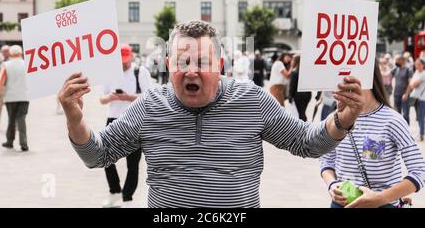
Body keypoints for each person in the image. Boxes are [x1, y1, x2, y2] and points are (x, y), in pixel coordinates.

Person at [59, 20, 364, 208]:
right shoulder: (149, 106)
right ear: (168, 65)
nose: (191, 70)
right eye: (182, 61)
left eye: (202, 62)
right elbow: (97, 155)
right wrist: (74, 117)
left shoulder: (251, 100)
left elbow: (307, 143)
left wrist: (342, 119)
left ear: (220, 66)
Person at [320, 60, 425, 208]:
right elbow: (327, 161)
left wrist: (380, 198)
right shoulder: (334, 119)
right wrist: (332, 184)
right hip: (341, 204)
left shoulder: (392, 120)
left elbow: (419, 171)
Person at [99, 44, 152, 208]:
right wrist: (112, 96)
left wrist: (127, 97)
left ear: (131, 57)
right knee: (105, 158)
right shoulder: (109, 72)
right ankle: (114, 191)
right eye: (121, 61)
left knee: (133, 163)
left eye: (126, 60)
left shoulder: (140, 72)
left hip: (134, 120)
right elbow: (101, 99)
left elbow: (149, 98)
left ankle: (127, 197)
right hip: (113, 118)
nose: (124, 64)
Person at [0, 45, 30, 151]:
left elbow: (1, 81)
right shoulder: (27, 64)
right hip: (24, 96)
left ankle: (9, 141)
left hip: (10, 97)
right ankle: (24, 144)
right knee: (21, 119)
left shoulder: (6, 65)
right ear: (21, 53)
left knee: (11, 119)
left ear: (10, 53)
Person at [403, 58, 425, 141]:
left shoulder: (423, 74)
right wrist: (406, 93)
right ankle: (421, 133)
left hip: (422, 99)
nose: (417, 66)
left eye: (419, 64)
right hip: (415, 97)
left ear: (423, 65)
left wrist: (412, 84)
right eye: (416, 64)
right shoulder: (416, 72)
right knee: (418, 117)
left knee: (420, 116)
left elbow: (414, 84)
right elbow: (411, 84)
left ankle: (422, 134)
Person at [288, 55, 311, 121]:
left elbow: (292, 85)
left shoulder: (295, 71)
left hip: (298, 95)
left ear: (295, 61)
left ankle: (305, 127)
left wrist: (290, 96)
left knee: (301, 114)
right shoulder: (307, 71)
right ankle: (305, 126)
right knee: (303, 112)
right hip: (307, 94)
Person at [391, 55, 413, 124]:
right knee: (397, 114)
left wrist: (406, 94)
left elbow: (410, 83)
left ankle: (407, 131)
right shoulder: (396, 69)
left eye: (397, 60)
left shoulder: (408, 69)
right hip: (396, 94)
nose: (396, 61)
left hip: (404, 95)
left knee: (405, 114)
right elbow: (388, 75)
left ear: (402, 60)